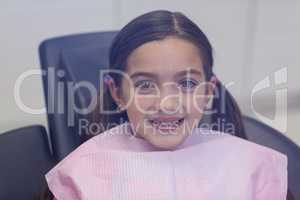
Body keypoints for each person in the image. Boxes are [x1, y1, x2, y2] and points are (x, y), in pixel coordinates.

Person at [40, 10, 288, 200]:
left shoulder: (253, 168)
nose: (167, 103)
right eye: (145, 85)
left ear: (208, 91)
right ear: (117, 93)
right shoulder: (80, 176)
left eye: (187, 83)